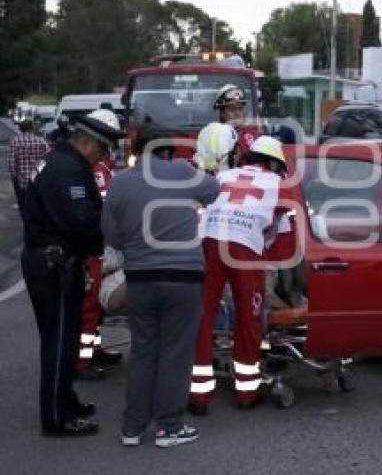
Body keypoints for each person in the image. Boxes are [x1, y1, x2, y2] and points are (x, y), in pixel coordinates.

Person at [101, 123, 219, 448]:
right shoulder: (182, 172)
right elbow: (215, 190)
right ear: (169, 151)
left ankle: (132, 428)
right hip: (183, 278)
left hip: (140, 279)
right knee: (175, 353)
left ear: (138, 150)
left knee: (142, 351)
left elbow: (111, 235)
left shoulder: (121, 182)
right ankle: (168, 427)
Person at [21, 109, 123, 437]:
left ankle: (65, 398)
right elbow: (80, 222)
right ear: (88, 143)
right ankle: (56, 417)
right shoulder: (67, 170)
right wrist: (110, 217)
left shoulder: (62, 162)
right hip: (55, 266)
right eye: (105, 150)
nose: (106, 157)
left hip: (55, 261)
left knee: (64, 340)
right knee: (59, 342)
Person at [189, 136, 295, 414]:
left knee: (201, 317)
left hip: (208, 243)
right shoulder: (279, 185)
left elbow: (199, 210)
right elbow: (281, 240)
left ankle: (198, 395)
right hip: (245, 249)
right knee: (248, 319)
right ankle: (246, 393)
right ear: (274, 163)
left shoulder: (223, 175)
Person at [76, 157, 123, 379]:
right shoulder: (98, 169)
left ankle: (93, 351)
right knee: (89, 308)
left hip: (95, 245)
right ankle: (81, 363)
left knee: (92, 308)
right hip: (95, 247)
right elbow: (106, 211)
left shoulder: (90, 168)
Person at [7, 118, 50, 211]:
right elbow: (48, 160)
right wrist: (39, 170)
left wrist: (15, 178)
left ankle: (27, 223)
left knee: (24, 206)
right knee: (38, 207)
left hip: (22, 181)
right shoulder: (41, 141)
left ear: (20, 129)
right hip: (38, 181)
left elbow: (11, 164)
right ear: (32, 128)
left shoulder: (15, 142)